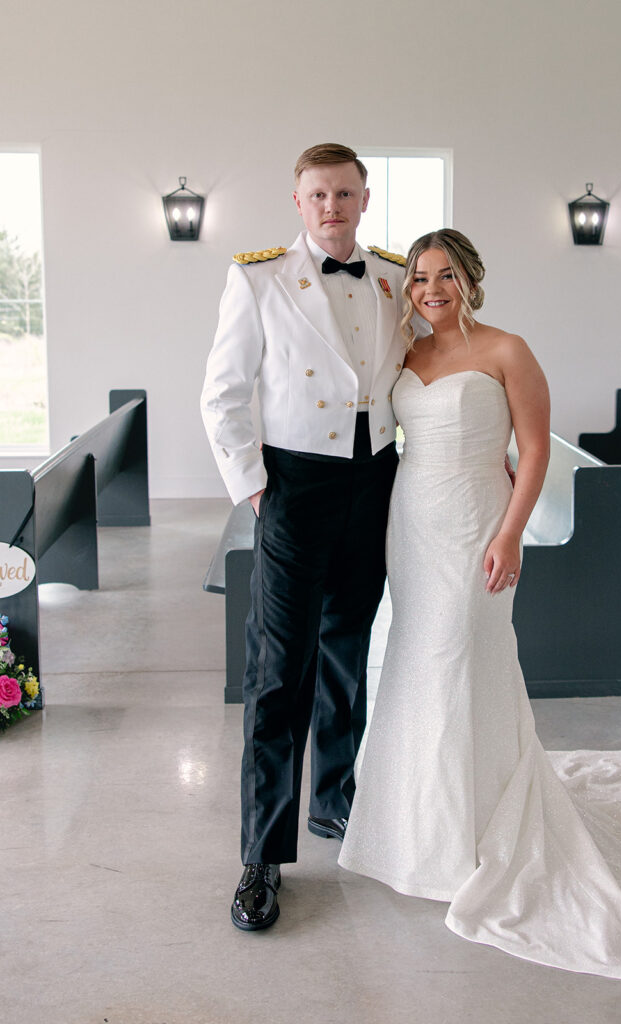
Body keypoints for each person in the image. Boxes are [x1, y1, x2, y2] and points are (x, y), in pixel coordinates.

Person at [338, 228, 621, 982]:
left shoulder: (508, 349)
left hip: (478, 522)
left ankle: (473, 828)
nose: (430, 289)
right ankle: (410, 830)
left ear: (471, 278)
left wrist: (510, 534)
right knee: (414, 658)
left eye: (444, 276)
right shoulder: (403, 353)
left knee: (462, 658)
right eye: (417, 279)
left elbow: (532, 450)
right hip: (412, 521)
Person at [201, 143, 421, 931]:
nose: (332, 206)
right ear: (298, 202)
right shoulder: (258, 277)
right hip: (294, 483)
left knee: (347, 647)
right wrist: (256, 489)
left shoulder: (396, 276)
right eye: (318, 195)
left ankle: (333, 800)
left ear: (365, 199)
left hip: (379, 481)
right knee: (277, 666)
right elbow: (222, 394)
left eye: (346, 194)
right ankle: (262, 853)